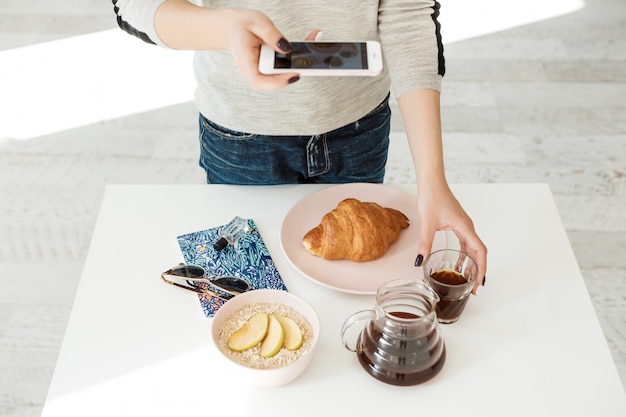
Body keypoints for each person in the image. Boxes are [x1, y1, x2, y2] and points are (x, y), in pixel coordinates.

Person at [112, 0, 487, 291]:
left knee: (347, 290)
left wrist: (432, 181)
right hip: (240, 139)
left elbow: (407, 15)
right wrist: (224, 28)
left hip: (359, 127)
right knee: (248, 288)